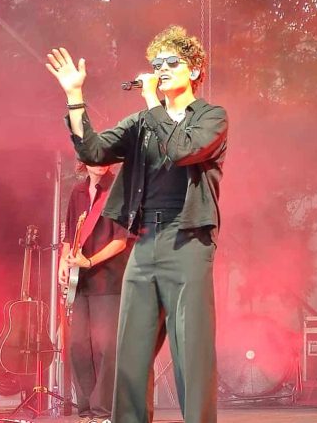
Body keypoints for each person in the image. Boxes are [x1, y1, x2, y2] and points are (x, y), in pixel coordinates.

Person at [46, 25, 227, 423]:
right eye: (157, 63)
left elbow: (182, 149)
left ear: (195, 70)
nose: (162, 69)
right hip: (143, 243)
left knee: (192, 350)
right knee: (130, 353)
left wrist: (150, 101)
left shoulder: (211, 117)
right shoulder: (142, 123)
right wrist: (75, 96)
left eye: (172, 62)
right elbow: (93, 151)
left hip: (188, 241)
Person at [58, 163, 130, 423]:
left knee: (106, 347)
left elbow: (121, 240)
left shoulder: (119, 190)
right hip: (80, 282)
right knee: (77, 345)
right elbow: (69, 237)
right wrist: (63, 262)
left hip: (108, 280)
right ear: (84, 160)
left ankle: (103, 411)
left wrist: (89, 261)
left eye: (104, 156)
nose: (99, 163)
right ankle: (86, 410)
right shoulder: (77, 192)